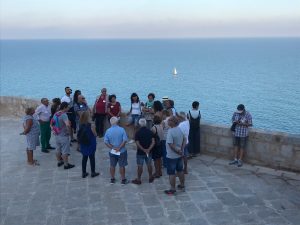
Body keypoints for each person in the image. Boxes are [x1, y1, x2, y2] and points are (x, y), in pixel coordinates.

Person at [104, 117, 129, 185]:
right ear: (117, 122)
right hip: (122, 151)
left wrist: (112, 148)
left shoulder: (108, 131)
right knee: (122, 165)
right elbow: (125, 140)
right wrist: (119, 148)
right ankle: (123, 180)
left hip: (112, 151)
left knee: (112, 165)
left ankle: (112, 179)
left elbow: (106, 142)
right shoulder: (122, 129)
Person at [165, 116, 186, 195]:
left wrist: (177, 151)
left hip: (172, 156)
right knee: (180, 170)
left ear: (173, 122)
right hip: (179, 155)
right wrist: (182, 149)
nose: (168, 121)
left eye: (169, 120)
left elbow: (170, 144)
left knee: (171, 173)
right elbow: (185, 139)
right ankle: (182, 185)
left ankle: (172, 189)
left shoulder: (171, 131)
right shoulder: (179, 129)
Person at [52, 102, 75, 169]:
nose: (68, 108)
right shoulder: (64, 115)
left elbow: (52, 124)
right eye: (68, 107)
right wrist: (68, 132)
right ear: (64, 107)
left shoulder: (56, 113)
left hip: (57, 134)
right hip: (63, 135)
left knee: (58, 148)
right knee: (65, 150)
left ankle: (59, 162)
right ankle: (66, 165)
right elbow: (67, 125)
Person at [132, 118, 155, 185]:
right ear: (146, 124)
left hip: (140, 152)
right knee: (149, 164)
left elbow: (137, 143)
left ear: (139, 124)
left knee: (140, 166)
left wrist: (143, 149)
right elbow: (153, 142)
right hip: (149, 152)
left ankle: (139, 179)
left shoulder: (137, 133)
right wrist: (148, 149)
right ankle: (150, 177)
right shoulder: (150, 132)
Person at [78, 111, 99, 178]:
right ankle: (93, 172)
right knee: (92, 157)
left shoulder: (80, 124)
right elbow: (95, 134)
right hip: (90, 142)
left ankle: (83, 173)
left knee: (84, 158)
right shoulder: (91, 125)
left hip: (83, 143)